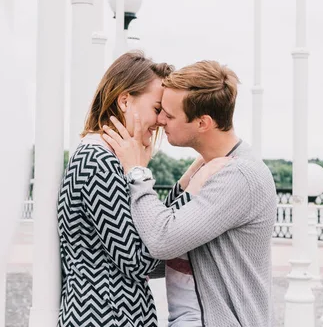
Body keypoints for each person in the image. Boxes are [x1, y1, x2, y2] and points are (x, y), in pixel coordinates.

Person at [102, 60, 278, 327]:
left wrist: (137, 173)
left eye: (170, 116)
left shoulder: (238, 176)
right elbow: (172, 238)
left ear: (203, 123)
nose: (160, 121)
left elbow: (162, 240)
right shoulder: (213, 167)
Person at [56, 52, 219, 327]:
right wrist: (191, 195)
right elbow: (139, 259)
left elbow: (145, 233)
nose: (162, 120)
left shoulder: (107, 158)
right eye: (157, 109)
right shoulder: (98, 161)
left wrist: (184, 182)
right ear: (124, 100)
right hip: (104, 316)